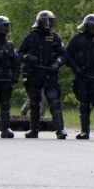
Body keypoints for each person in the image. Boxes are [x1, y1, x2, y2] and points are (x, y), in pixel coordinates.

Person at [18, 10, 68, 139]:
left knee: (54, 101)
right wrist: (28, 57)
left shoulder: (55, 37)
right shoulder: (31, 37)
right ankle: (33, 130)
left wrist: (56, 64)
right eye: (47, 20)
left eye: (51, 20)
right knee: (34, 103)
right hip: (34, 73)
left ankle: (60, 130)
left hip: (50, 74)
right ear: (40, 22)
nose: (50, 23)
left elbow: (63, 54)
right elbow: (19, 53)